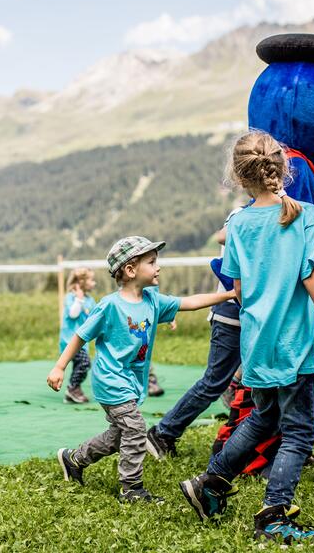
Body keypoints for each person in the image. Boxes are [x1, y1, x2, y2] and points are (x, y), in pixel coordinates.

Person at [179, 130, 314, 544]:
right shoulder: (306, 216)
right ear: (284, 168)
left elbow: (241, 290)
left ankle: (210, 484)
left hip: (257, 343)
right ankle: (275, 512)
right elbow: (312, 277)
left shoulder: (239, 225)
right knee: (299, 431)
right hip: (292, 345)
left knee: (263, 416)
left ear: (239, 176)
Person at [47, 236, 235, 503]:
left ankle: (74, 459)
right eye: (152, 262)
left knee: (117, 436)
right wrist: (59, 367)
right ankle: (131, 488)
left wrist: (228, 295)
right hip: (111, 381)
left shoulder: (153, 301)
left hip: (131, 381)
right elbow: (80, 335)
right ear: (131, 270)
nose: (158, 267)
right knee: (136, 430)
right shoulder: (110, 306)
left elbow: (189, 302)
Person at [146, 211, 242, 458]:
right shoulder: (244, 213)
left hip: (254, 317)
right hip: (231, 316)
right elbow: (223, 236)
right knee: (213, 382)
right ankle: (163, 433)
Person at [59, 268, 96, 404]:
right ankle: (72, 388)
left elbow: (95, 316)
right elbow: (73, 314)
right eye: (91, 280)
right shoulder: (71, 298)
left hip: (82, 341)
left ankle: (73, 392)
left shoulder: (90, 300)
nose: (94, 283)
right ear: (81, 282)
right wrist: (79, 299)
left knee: (80, 364)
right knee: (84, 362)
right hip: (69, 341)